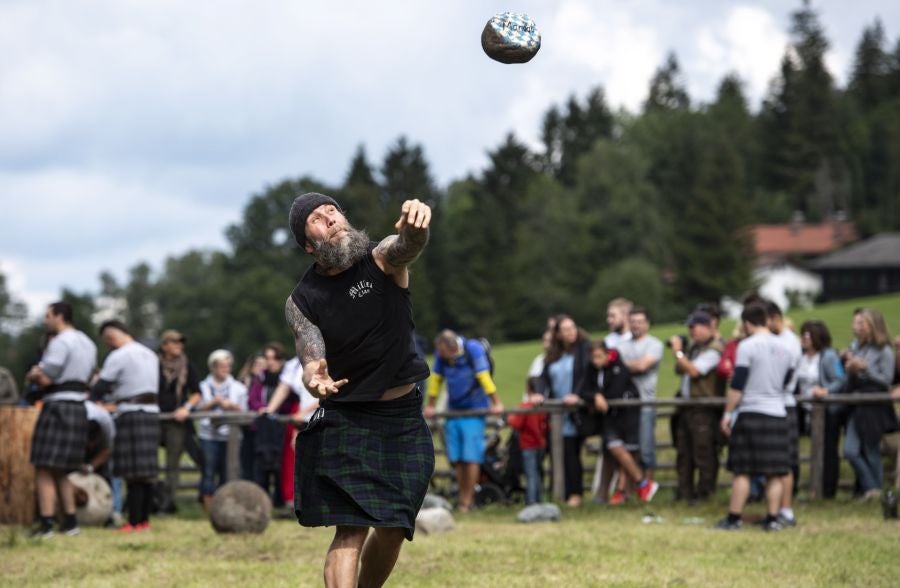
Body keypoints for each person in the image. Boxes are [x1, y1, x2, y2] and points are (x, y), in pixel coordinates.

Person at [284, 192, 434, 587]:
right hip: (347, 418)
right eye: (317, 218)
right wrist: (314, 380)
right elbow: (311, 360)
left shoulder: (380, 258)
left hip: (403, 417)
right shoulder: (302, 300)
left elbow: (406, 246)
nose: (329, 218)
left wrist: (418, 227)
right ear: (308, 244)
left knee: (395, 526)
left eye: (332, 210)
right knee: (349, 529)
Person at [716, 304, 793, 531]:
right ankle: (772, 519)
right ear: (767, 320)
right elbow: (788, 380)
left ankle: (734, 518)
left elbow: (738, 383)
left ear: (748, 324)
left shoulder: (747, 346)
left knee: (743, 470)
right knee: (775, 472)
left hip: (751, 411)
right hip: (777, 412)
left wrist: (728, 413)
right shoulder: (786, 346)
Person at [26, 302, 97, 539]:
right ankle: (70, 522)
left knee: (44, 466)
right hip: (79, 406)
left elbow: (46, 379)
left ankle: (46, 524)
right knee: (62, 470)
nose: (45, 321)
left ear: (60, 316)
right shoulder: (87, 341)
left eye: (48, 316)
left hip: (58, 405)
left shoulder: (60, 342)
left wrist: (34, 373)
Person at [90, 320, 160, 532]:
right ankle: (143, 520)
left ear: (111, 337)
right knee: (146, 471)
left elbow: (100, 387)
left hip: (131, 414)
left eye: (107, 341)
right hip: (151, 413)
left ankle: (134, 521)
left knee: (132, 471)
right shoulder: (150, 354)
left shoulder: (119, 356)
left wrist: (91, 397)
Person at [424, 329, 504, 512]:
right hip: (453, 412)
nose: (440, 356)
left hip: (474, 410)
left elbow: (483, 375)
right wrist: (431, 405)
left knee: (471, 457)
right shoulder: (441, 354)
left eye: (443, 353)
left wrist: (496, 402)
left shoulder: (473, 349)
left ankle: (468, 501)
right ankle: (462, 498)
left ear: (451, 348)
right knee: (457, 458)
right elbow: (436, 378)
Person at [588, 341, 659, 504]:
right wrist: (596, 396)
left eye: (599, 356)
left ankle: (628, 490)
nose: (596, 360)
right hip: (610, 418)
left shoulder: (618, 368)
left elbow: (615, 392)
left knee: (627, 451)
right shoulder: (593, 370)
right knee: (615, 449)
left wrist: (599, 395)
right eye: (593, 357)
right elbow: (585, 388)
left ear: (607, 354)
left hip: (627, 415)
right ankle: (640, 483)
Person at [536, 315, 593, 507]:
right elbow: (542, 379)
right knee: (558, 452)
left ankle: (575, 493)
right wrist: (539, 394)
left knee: (571, 451)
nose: (571, 332)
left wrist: (578, 396)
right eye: (566, 329)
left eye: (573, 327)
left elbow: (586, 376)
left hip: (575, 410)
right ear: (558, 334)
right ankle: (561, 492)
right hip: (558, 411)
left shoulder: (584, 351)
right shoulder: (553, 356)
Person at [842, 308, 896, 500]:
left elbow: (886, 380)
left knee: (871, 450)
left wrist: (865, 369)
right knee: (850, 451)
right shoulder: (856, 347)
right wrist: (849, 367)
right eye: (857, 323)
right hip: (856, 404)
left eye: (862, 323)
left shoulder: (885, 350)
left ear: (873, 325)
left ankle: (876, 491)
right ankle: (873, 488)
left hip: (874, 407)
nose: (858, 327)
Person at [670, 310, 723, 503]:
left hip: (704, 408)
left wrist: (678, 351)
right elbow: (679, 368)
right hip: (686, 407)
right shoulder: (694, 348)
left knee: (704, 451)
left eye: (695, 326)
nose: (691, 331)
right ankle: (684, 491)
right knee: (684, 451)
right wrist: (682, 352)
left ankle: (704, 492)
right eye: (690, 327)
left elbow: (694, 371)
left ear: (707, 326)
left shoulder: (715, 349)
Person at [191, 349, 248, 510]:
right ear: (213, 367)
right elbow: (196, 410)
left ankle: (224, 505)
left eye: (227, 366)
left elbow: (245, 411)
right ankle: (208, 507)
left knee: (227, 471)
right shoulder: (201, 387)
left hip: (230, 436)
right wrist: (213, 403)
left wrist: (232, 406)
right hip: (208, 435)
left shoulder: (238, 388)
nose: (225, 370)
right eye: (221, 366)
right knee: (208, 470)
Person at [157, 328, 203, 513]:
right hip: (155, 417)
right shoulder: (153, 364)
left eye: (180, 343)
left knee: (172, 463)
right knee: (149, 463)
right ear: (164, 346)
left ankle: (168, 503)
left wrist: (186, 408)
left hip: (177, 420)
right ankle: (152, 500)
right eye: (174, 342)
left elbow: (197, 393)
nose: (179, 346)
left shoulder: (187, 366)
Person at [800, 320, 847, 499]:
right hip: (805, 409)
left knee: (828, 450)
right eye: (804, 334)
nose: (805, 338)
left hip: (827, 411)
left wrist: (826, 391)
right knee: (813, 448)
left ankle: (827, 490)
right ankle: (813, 487)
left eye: (809, 334)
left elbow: (840, 379)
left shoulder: (828, 356)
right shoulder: (801, 356)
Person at [766, 300, 802, 526]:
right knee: (772, 462)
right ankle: (774, 508)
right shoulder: (772, 340)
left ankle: (786, 509)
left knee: (784, 460)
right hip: (773, 403)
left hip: (783, 403)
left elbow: (787, 376)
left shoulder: (788, 342)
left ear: (774, 318)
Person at [619, 306, 664, 482]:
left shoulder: (655, 344)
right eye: (633, 322)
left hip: (646, 403)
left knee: (646, 447)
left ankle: (648, 485)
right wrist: (632, 366)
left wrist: (625, 366)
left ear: (647, 324)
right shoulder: (622, 345)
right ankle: (631, 487)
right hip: (626, 404)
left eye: (639, 322)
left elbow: (642, 366)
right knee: (628, 446)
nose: (636, 325)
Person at [241, 342, 287, 501]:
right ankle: (263, 500)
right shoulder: (260, 378)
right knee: (262, 464)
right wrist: (264, 408)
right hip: (263, 428)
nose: (270, 361)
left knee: (281, 466)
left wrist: (275, 410)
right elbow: (253, 400)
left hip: (283, 427)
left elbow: (291, 398)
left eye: (274, 358)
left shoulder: (286, 376)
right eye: (267, 358)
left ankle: (282, 501)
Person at [506, 377, 548, 505]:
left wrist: (509, 418)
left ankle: (531, 501)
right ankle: (539, 499)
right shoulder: (544, 407)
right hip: (540, 444)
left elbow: (516, 423)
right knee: (538, 473)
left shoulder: (525, 407)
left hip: (528, 445)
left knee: (530, 474)